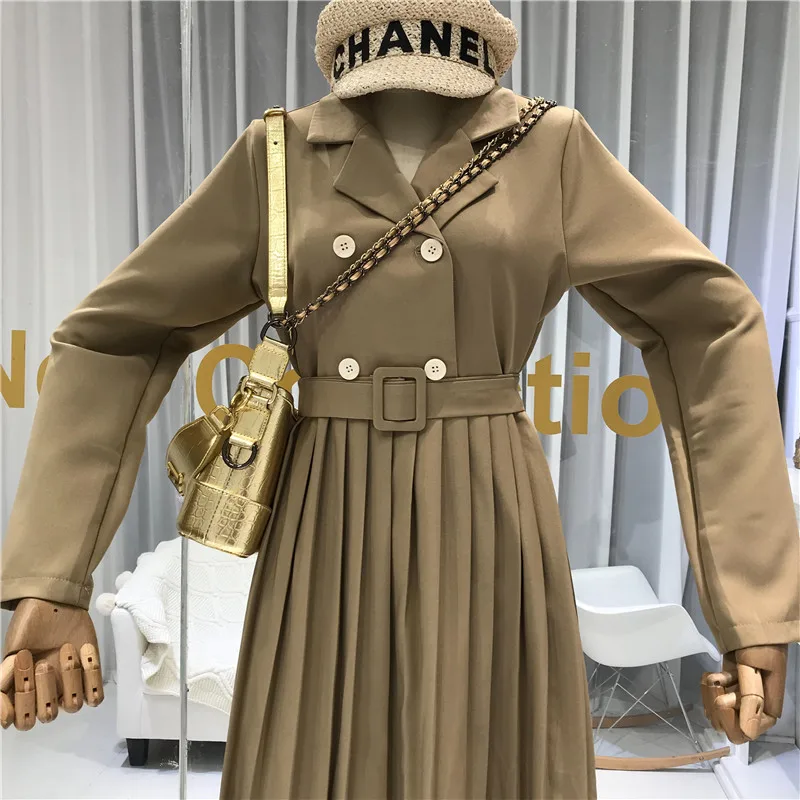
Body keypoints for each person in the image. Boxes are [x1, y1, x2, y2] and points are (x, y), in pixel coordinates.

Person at [2, 2, 799, 798]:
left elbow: (708, 322)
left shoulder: (549, 145)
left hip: (486, 501)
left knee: (480, 756)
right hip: (328, 506)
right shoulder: (279, 154)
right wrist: (53, 574)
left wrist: (753, 605)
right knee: (315, 757)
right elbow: (115, 336)